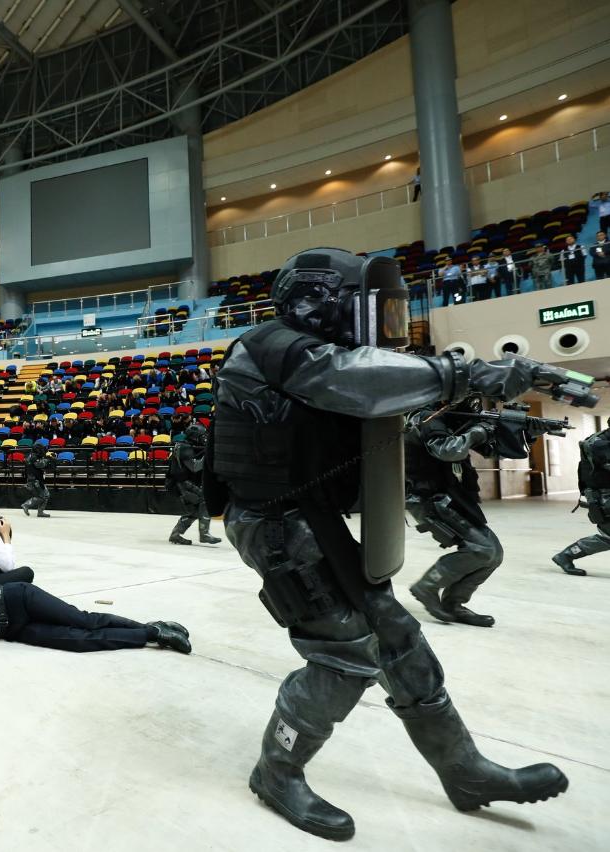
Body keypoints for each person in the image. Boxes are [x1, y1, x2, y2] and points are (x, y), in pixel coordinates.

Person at [209, 247, 568, 842]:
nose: (383, 324)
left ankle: (463, 770)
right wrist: (464, 374)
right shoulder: (270, 345)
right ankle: (277, 771)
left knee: (398, 636)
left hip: (311, 515)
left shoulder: (309, 349)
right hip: (274, 525)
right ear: (318, 300)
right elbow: (348, 377)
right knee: (344, 651)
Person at [0, 580, 192, 655]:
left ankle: (152, 628)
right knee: (77, 642)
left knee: (83, 620)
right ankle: (153, 634)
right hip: (13, 629)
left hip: (16, 598)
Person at [404, 401, 505, 627]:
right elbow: (448, 450)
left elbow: (494, 451)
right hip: (428, 498)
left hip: (451, 496)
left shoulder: (452, 420)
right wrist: (478, 431)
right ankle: (427, 586)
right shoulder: (427, 418)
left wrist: (521, 433)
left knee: (494, 554)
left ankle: (453, 604)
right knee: (483, 549)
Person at [553, 425, 610, 576]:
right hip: (604, 496)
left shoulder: (600, 439)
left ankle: (566, 555)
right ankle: (566, 555)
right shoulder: (600, 444)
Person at [166, 424, 220, 546]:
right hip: (182, 483)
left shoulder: (185, 446)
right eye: (202, 436)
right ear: (194, 436)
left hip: (182, 482)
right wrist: (208, 455)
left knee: (195, 510)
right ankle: (204, 534)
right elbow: (195, 467)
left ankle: (175, 535)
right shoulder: (184, 448)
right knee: (205, 501)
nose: (204, 438)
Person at [21, 440, 56, 517]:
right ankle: (26, 505)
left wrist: (47, 457)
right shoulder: (33, 457)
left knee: (44, 495)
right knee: (44, 495)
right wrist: (49, 459)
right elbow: (40, 464)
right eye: (41, 450)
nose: (43, 451)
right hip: (35, 480)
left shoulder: (30, 455)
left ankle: (40, 512)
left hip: (33, 479)